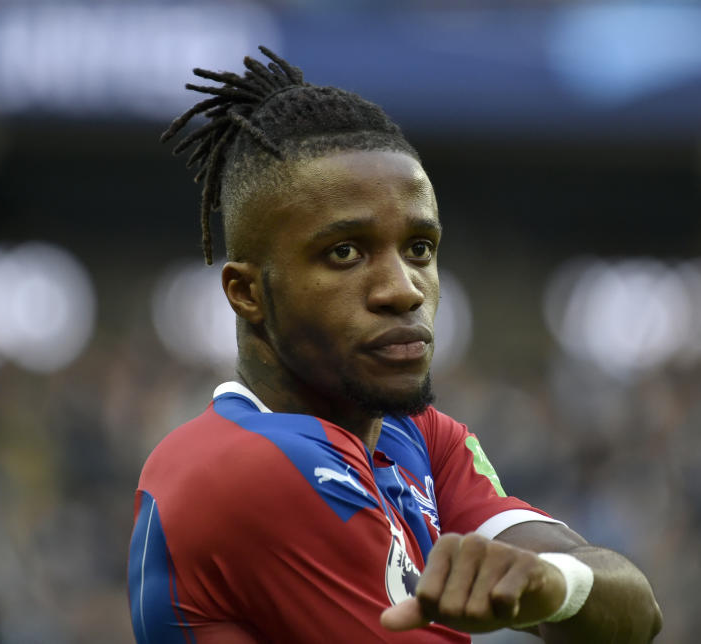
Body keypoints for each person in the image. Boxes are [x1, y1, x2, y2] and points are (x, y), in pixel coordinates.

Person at [127, 47, 662, 643]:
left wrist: (554, 585)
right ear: (247, 292)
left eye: (420, 249)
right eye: (345, 253)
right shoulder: (245, 466)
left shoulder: (416, 437)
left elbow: (635, 614)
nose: (403, 290)